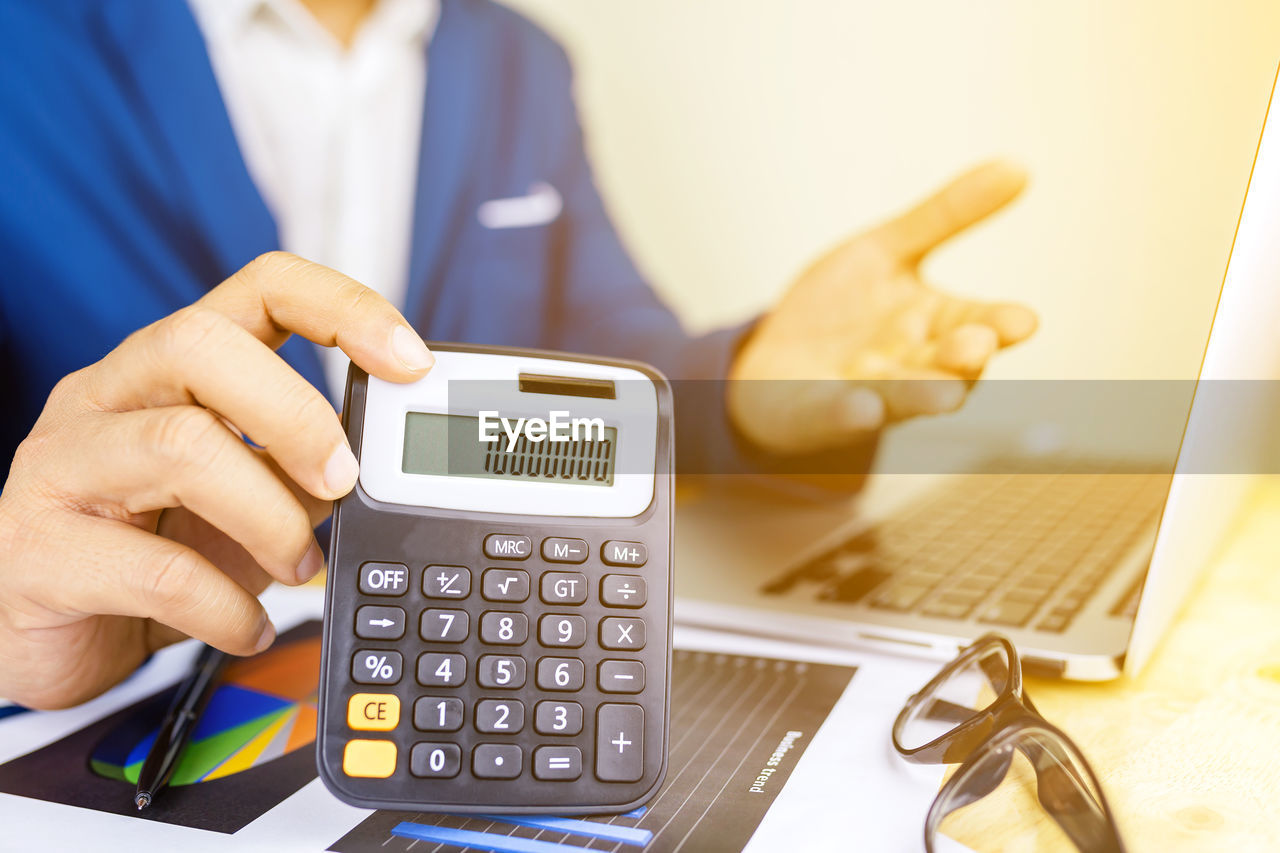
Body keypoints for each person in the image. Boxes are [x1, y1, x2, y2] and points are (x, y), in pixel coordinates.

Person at [0, 0, 1036, 709]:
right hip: (109, 719)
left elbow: (607, 371)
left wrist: (748, 390)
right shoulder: (25, 45)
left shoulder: (516, 60)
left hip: (459, 686)